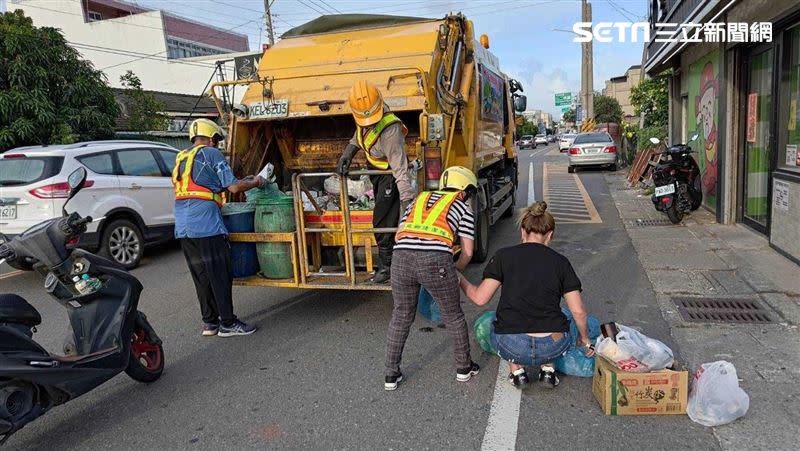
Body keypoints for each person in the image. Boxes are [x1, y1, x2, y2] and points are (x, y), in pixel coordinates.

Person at [459, 201, 595, 388]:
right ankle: (548, 369)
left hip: (513, 345)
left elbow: (480, 298)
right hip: (551, 347)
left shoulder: (503, 256)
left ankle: (517, 372)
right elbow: (578, 311)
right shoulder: (561, 263)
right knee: (563, 316)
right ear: (550, 235)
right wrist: (584, 338)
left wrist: (459, 278)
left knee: (493, 321)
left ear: (523, 231)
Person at [173, 118, 272, 337]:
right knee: (219, 274)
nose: (217, 145)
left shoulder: (182, 157)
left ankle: (210, 323)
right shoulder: (211, 153)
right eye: (217, 140)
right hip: (206, 225)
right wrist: (256, 181)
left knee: (201, 277)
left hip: (183, 226)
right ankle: (228, 323)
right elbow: (234, 186)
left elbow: (205, 184)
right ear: (211, 138)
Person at [384, 166, 480, 391]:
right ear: (465, 189)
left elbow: (404, 231)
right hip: (435, 260)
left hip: (400, 258)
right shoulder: (462, 207)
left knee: (401, 315)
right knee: (453, 315)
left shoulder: (419, 199)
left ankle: (391, 374)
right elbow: (467, 252)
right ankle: (464, 368)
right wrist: (453, 270)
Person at [337, 80, 415, 284]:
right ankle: (390, 265)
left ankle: (388, 267)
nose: (369, 122)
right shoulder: (363, 114)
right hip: (378, 176)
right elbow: (360, 136)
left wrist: (407, 201)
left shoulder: (390, 129)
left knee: (382, 223)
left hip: (390, 177)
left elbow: (400, 167)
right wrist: (348, 153)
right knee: (383, 222)